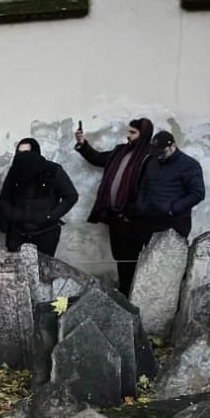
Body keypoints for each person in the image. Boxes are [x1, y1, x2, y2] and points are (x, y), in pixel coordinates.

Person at [75, 117, 154, 294]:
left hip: (135, 219)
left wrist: (133, 210)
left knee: (131, 258)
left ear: (144, 135)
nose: (128, 136)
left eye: (133, 133)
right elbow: (97, 158)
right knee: (120, 256)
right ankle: (124, 289)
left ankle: (131, 292)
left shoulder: (150, 158)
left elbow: (150, 189)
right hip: (115, 216)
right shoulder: (120, 151)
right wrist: (82, 143)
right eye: (129, 131)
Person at [0, 138, 78, 257]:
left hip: (46, 232)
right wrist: (13, 215)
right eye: (20, 153)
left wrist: (50, 216)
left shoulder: (52, 170)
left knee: (43, 271)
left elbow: (71, 196)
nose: (23, 156)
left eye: (27, 152)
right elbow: (4, 198)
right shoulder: (15, 171)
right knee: (18, 270)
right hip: (18, 233)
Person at [132, 131, 205, 240]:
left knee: (169, 256)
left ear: (173, 146)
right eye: (157, 152)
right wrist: (141, 206)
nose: (159, 156)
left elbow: (197, 193)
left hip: (175, 224)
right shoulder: (152, 162)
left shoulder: (190, 165)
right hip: (150, 221)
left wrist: (173, 209)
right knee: (147, 256)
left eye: (162, 152)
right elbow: (144, 186)